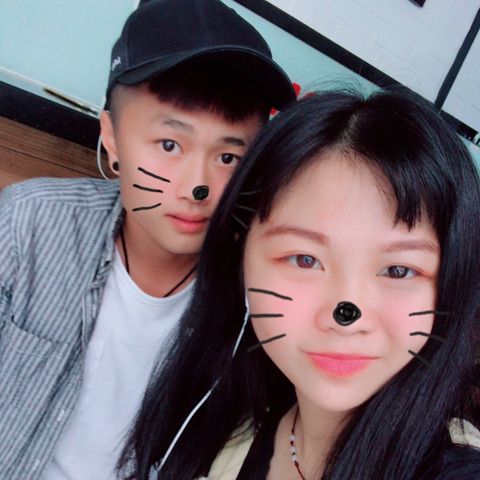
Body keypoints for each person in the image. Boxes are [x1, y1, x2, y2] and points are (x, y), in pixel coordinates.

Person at [0, 0, 295, 478]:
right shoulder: (30, 222)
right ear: (112, 137)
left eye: (229, 157)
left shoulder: (253, 300)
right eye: (170, 144)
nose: (197, 187)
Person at [122, 88, 480, 479]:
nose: (347, 314)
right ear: (241, 258)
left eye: (398, 270)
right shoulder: (223, 414)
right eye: (305, 260)